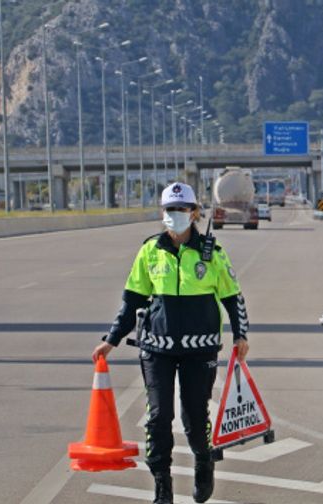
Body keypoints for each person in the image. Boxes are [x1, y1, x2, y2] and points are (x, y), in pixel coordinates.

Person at [92, 182, 250, 504]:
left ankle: (204, 462)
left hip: (200, 349)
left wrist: (240, 334)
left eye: (181, 209)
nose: (175, 215)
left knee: (194, 416)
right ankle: (162, 484)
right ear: (162, 213)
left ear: (194, 212)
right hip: (156, 349)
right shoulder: (150, 250)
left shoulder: (212, 253)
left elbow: (234, 298)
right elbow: (131, 300)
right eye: (169, 210)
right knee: (158, 415)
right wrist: (111, 339)